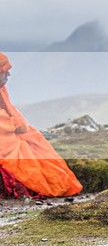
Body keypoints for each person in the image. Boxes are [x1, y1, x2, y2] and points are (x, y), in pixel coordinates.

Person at [0, 52, 82, 199]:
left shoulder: (2, 90)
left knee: (37, 146)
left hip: (11, 133)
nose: (8, 75)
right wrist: (14, 125)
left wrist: (17, 125)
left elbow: (11, 113)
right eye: (5, 71)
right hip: (4, 139)